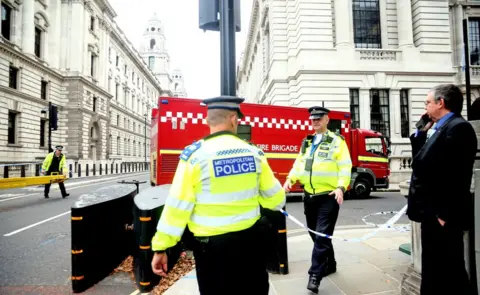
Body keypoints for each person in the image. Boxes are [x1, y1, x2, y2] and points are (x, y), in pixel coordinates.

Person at [150, 96, 286, 295]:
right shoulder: (254, 153)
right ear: (233, 118)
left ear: (207, 120)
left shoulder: (194, 156)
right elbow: (276, 199)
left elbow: (176, 208)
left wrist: (161, 247)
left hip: (211, 251)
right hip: (250, 245)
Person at [406, 84, 477, 295]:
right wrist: (420, 132)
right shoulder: (440, 128)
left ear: (441, 103)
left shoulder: (458, 128)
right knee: (435, 272)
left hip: (444, 217)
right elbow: (421, 164)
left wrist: (443, 214)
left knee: (450, 273)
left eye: (428, 102)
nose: (425, 107)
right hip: (433, 213)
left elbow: (457, 175)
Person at [283, 106, 352, 294]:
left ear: (327, 120)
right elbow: (299, 163)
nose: (315, 121)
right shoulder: (307, 141)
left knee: (321, 235)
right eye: (313, 119)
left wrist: (340, 187)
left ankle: (315, 275)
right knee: (315, 234)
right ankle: (330, 263)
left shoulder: (337, 141)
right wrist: (290, 179)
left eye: (319, 118)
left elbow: (345, 166)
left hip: (328, 196)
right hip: (309, 196)